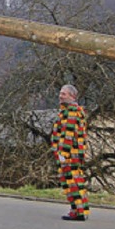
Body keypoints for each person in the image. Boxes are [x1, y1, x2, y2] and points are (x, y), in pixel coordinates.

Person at [50, 84, 90, 221]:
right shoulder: (70, 110)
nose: (60, 96)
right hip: (74, 153)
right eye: (60, 93)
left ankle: (77, 211)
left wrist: (63, 154)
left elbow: (68, 134)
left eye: (64, 94)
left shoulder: (71, 111)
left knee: (72, 182)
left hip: (70, 154)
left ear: (72, 96)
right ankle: (80, 209)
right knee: (77, 181)